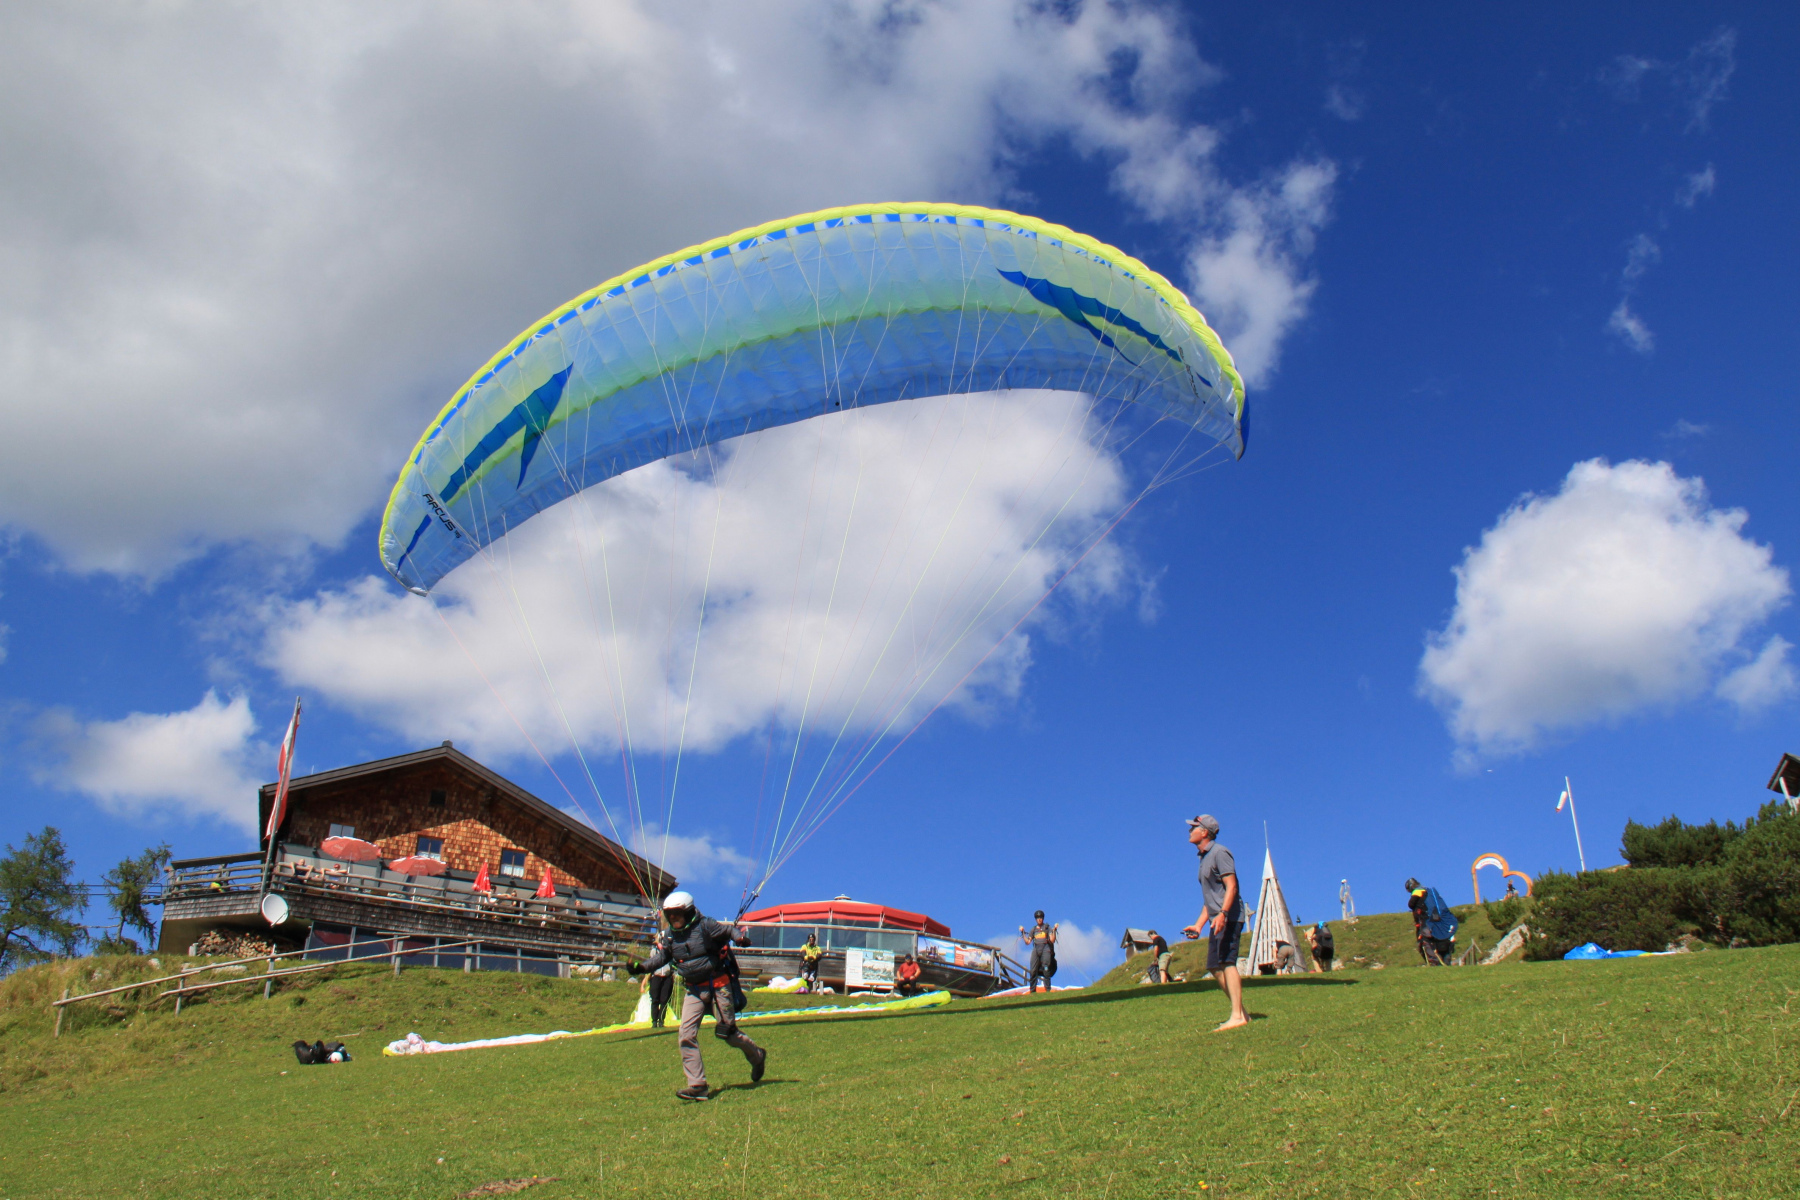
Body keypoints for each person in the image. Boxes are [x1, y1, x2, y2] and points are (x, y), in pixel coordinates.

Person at [629, 891, 767, 1101]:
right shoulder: (671, 936)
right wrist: (641, 968)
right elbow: (662, 958)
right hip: (693, 990)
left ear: (689, 912)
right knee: (686, 1035)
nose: (673, 919)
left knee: (728, 1033)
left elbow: (729, 930)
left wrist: (739, 938)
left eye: (677, 914)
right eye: (670, 915)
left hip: (717, 986)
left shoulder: (705, 925)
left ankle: (757, 1055)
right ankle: (698, 1085)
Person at [1181, 814, 1249, 1032]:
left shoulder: (1220, 853)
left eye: (1193, 828)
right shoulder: (1203, 858)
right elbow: (1210, 898)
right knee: (1213, 965)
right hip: (1216, 919)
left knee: (1227, 962)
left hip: (1229, 917)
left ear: (1204, 832)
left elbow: (1232, 886)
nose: (1189, 831)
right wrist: (1198, 925)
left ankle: (1237, 1016)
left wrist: (1223, 913)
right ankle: (1241, 1013)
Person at [1406, 878, 1454, 966]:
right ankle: (1445, 962)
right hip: (1438, 921)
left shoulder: (1418, 891)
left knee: (1424, 942)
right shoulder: (1430, 893)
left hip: (1425, 922)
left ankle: (1435, 964)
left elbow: (1411, 904)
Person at [1019, 911, 1057, 992]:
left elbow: (1052, 940)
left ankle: (1048, 989)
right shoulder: (1033, 929)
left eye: (1040, 918)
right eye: (1037, 918)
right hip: (1036, 949)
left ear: (1043, 918)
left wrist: (1054, 930)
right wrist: (1023, 933)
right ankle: (1032, 990)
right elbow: (1028, 942)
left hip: (1045, 949)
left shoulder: (1047, 928)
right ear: (1035, 919)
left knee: (1046, 968)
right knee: (1033, 970)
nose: (1039, 919)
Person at [646, 961, 675, 1029]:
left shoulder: (669, 955)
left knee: (664, 1000)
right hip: (656, 976)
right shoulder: (654, 954)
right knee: (655, 999)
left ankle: (661, 1021)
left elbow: (674, 964)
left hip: (667, 977)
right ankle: (654, 1021)